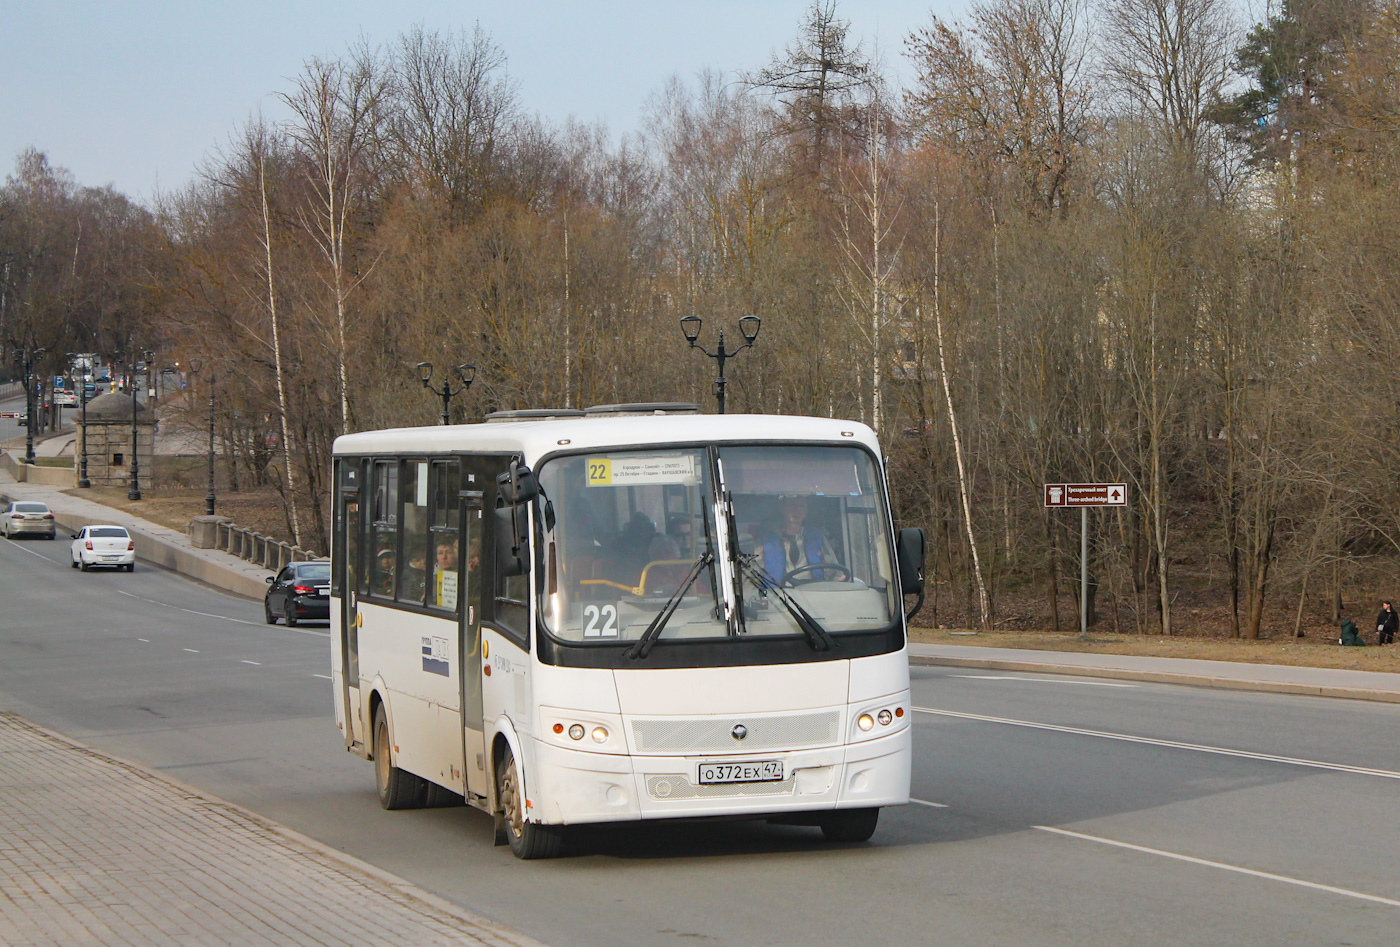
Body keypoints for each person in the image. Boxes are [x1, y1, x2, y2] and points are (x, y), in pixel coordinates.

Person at [761, 495, 837, 580]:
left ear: (805, 512)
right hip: (778, 592)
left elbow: (834, 571)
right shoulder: (765, 542)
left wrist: (838, 580)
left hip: (814, 591)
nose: (796, 509)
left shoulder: (818, 538)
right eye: (791, 504)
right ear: (782, 508)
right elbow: (753, 577)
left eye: (801, 505)